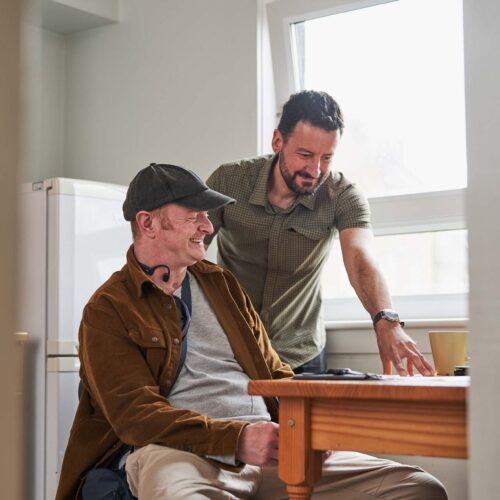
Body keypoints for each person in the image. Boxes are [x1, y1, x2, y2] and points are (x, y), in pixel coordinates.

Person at [56, 163, 446, 500]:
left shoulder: (221, 284)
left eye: (207, 216)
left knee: (416, 488)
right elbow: (136, 416)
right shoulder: (108, 309)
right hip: (178, 452)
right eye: (194, 214)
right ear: (147, 223)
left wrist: (311, 432)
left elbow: (275, 374)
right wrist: (238, 439)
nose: (208, 226)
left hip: (271, 450)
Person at [206, 90, 434, 376]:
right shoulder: (227, 182)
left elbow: (362, 260)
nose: (315, 169)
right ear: (277, 141)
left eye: (326, 157)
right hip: (230, 347)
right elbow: (186, 251)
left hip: (300, 352)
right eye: (305, 155)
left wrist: (386, 322)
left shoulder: (343, 196)